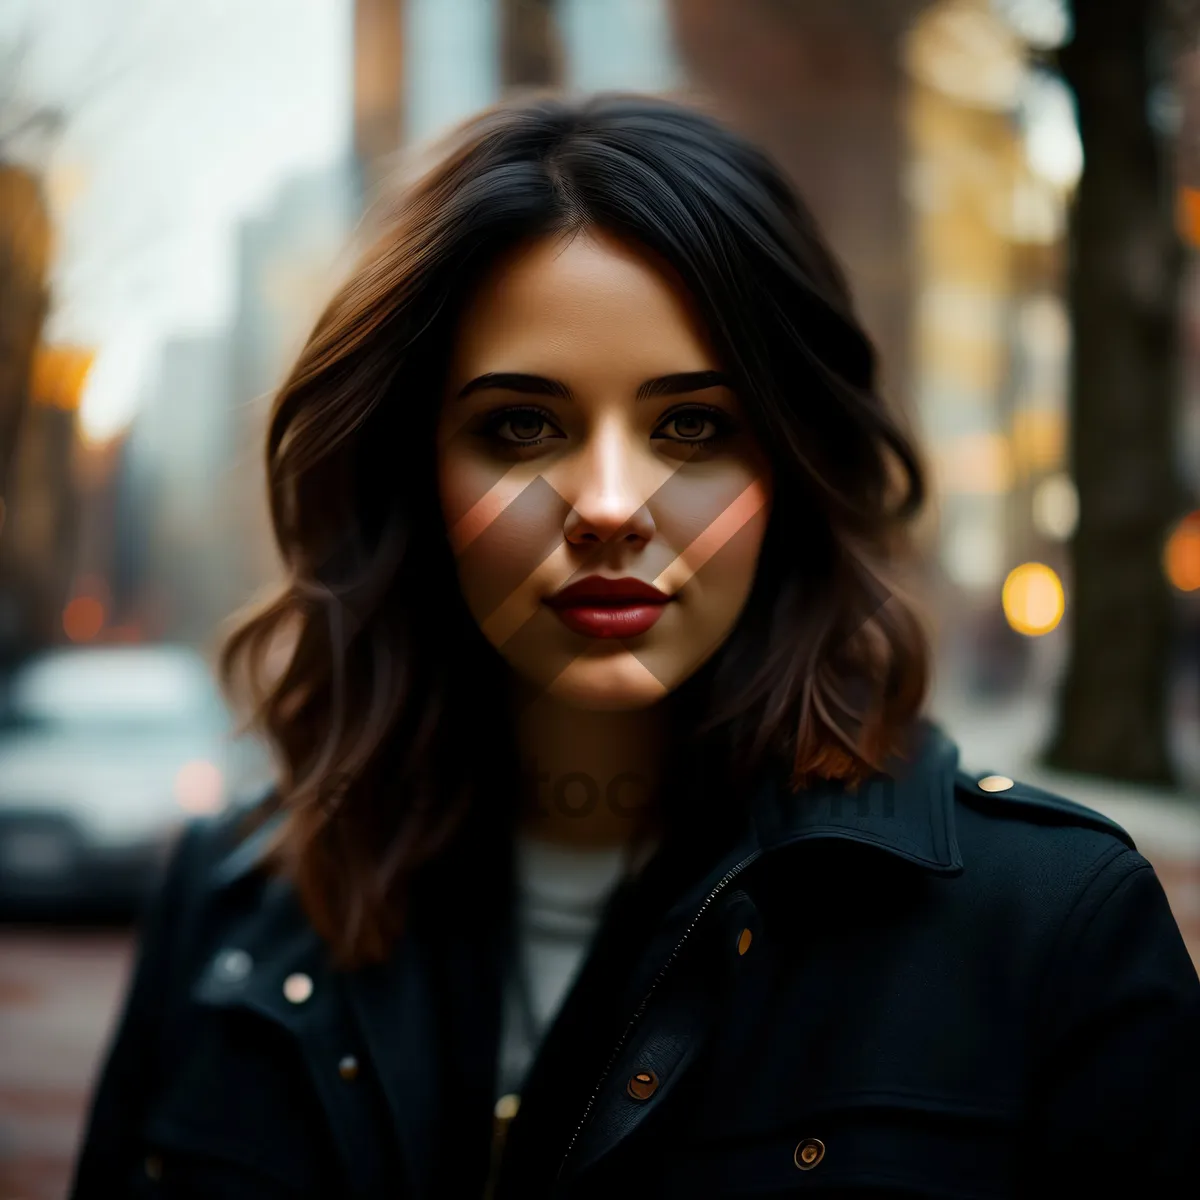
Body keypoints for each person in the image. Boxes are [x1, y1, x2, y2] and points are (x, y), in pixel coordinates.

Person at [69, 94, 1200, 1200]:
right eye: (522, 425)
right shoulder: (227, 911)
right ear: (412, 468)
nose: (609, 505)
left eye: (693, 426)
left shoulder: (1054, 928)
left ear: (792, 469)